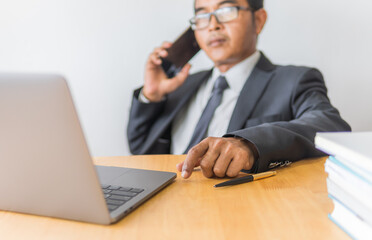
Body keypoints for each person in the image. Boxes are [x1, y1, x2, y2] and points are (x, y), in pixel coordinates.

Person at [127, 0, 351, 179]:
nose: (213, 25)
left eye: (227, 10)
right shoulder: (183, 84)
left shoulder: (294, 80)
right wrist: (152, 95)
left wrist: (249, 144)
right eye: (202, 15)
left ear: (259, 20)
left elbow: (330, 127)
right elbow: (141, 150)